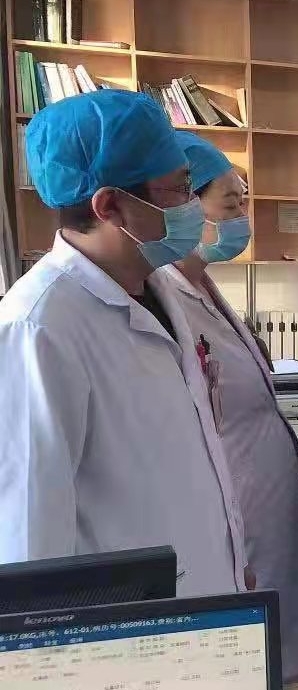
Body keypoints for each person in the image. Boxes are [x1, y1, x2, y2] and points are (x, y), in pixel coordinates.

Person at [0, 90, 246, 596]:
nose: (192, 206)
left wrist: (232, 558)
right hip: (126, 623)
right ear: (111, 205)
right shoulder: (39, 327)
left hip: (203, 600)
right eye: (180, 189)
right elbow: (28, 534)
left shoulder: (156, 289)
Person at [152, 132, 298, 679]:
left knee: (281, 647)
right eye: (231, 203)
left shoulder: (203, 286)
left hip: (264, 507)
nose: (243, 216)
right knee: (251, 661)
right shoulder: (163, 298)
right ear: (185, 204)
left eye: (244, 202)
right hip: (234, 513)